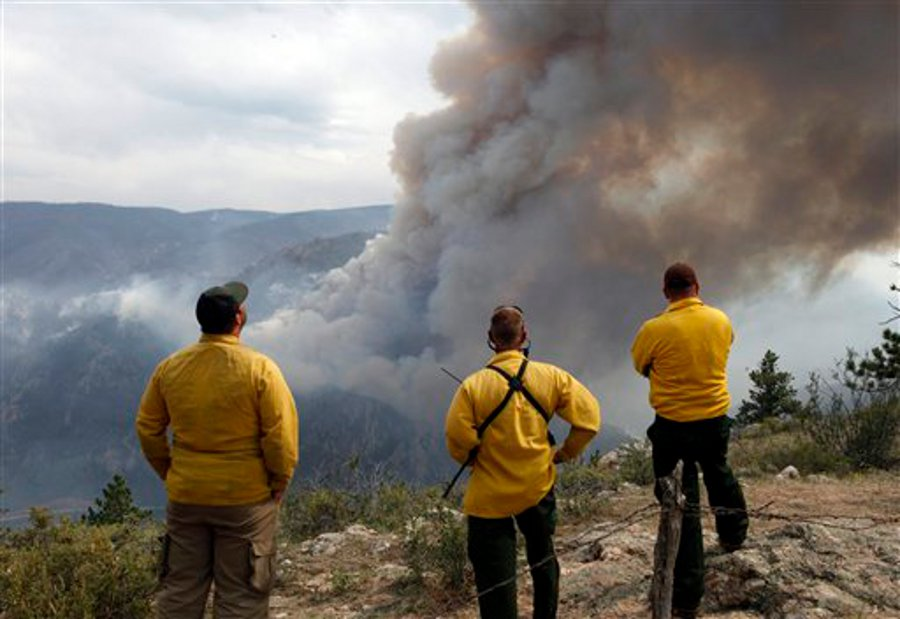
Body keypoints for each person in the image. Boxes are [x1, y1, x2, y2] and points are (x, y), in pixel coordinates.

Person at [136, 281, 299, 619]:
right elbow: (280, 438)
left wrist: (171, 473)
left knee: (179, 593)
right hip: (246, 500)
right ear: (238, 317)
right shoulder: (260, 369)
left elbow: (148, 428)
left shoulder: (170, 367)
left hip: (187, 497)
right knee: (241, 598)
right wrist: (278, 483)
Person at [445, 305, 601, 619]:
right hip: (538, 485)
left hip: (489, 496)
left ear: (490, 339)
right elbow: (589, 420)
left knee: (494, 577)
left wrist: (475, 456)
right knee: (543, 557)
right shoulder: (552, 376)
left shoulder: (473, 386)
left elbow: (457, 438)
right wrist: (563, 454)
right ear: (524, 335)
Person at [631, 263, 748, 619]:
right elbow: (723, 350)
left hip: (673, 425)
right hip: (714, 418)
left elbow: (640, 365)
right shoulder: (720, 320)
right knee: (718, 471)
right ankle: (733, 535)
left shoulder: (653, 328)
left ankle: (685, 597)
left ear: (666, 291)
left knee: (681, 503)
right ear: (697, 286)